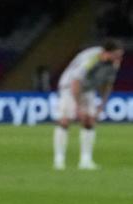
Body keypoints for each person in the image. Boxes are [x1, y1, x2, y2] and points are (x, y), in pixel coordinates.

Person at [53, 40, 124, 170]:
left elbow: (108, 85)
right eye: (117, 54)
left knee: (89, 121)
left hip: (88, 88)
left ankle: (86, 161)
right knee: (65, 120)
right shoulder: (91, 58)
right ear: (106, 53)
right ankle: (59, 160)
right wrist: (78, 107)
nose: (119, 58)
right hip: (69, 87)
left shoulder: (114, 63)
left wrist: (101, 106)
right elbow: (76, 81)